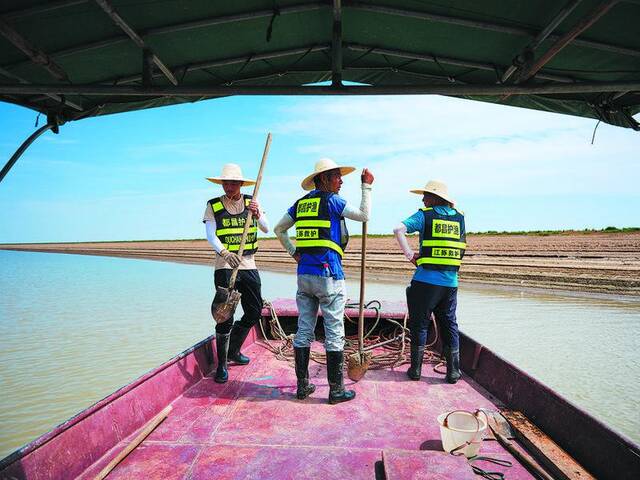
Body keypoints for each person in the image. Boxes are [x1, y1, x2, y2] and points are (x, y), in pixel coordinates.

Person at [274, 158, 374, 404]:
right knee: (334, 332)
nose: (341, 181)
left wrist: (292, 251)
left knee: (303, 330)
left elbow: (279, 229)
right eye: (337, 177)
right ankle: (336, 390)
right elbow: (363, 215)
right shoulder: (332, 201)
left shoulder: (300, 204)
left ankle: (302, 386)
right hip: (329, 276)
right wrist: (367, 188)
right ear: (324, 180)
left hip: (304, 276)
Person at [393, 180, 466, 384]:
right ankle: (453, 372)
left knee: (420, 325)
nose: (423, 199)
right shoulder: (460, 218)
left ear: (435, 198)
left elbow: (398, 229)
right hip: (450, 283)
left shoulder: (424, 215)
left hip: (425, 282)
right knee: (449, 324)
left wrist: (409, 255)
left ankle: (415, 370)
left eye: (425, 195)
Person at [203, 163, 269, 383]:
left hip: (248, 264)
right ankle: (222, 365)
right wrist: (224, 252)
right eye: (226, 183)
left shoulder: (252, 201)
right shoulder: (213, 205)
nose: (229, 186)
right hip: (224, 266)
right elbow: (211, 235)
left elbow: (266, 228)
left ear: (241, 184)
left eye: (233, 183)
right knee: (224, 314)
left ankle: (233, 350)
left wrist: (258, 214)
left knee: (254, 310)